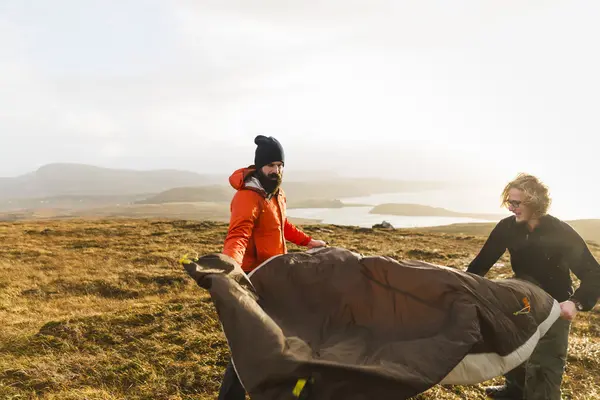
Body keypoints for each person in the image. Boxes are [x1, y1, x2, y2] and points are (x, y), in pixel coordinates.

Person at [466, 173, 600, 400]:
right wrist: (464, 288)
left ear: (534, 203)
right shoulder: (506, 228)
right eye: (509, 202)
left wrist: (575, 302)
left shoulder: (561, 233)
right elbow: (481, 264)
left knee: (545, 366)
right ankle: (514, 390)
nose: (510, 208)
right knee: (515, 349)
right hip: (522, 299)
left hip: (554, 306)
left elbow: (594, 273)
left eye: (516, 203)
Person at [218, 134, 326, 399]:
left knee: (280, 335)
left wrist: (307, 241)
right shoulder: (248, 197)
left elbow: (282, 226)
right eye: (271, 166)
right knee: (252, 341)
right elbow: (239, 234)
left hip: (277, 275)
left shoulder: (276, 193)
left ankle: (289, 388)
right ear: (259, 166)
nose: (276, 171)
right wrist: (230, 264)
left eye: (280, 166)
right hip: (255, 278)